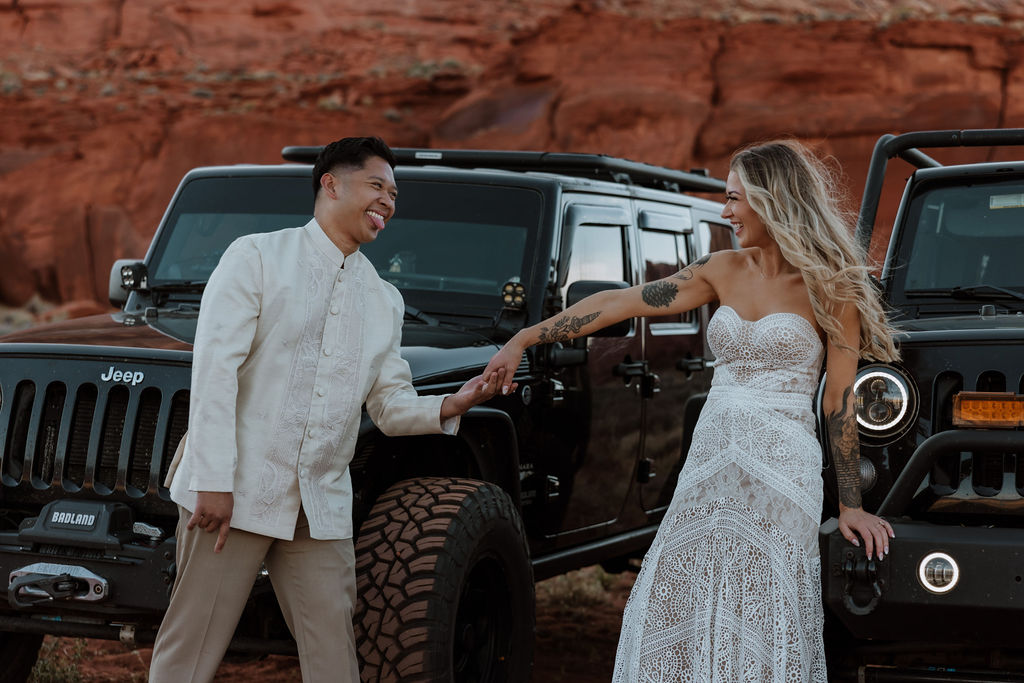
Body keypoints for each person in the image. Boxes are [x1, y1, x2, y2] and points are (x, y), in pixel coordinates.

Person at [483, 140, 899, 681]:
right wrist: (525, 338)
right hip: (710, 458)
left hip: (782, 468)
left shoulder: (833, 287)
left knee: (762, 602)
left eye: (734, 199)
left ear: (773, 199)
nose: (725, 212)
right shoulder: (720, 269)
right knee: (677, 591)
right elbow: (620, 302)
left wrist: (849, 505)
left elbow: (838, 399)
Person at [149, 136, 506, 683]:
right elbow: (214, 371)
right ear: (330, 183)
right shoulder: (256, 257)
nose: (388, 201)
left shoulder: (384, 300)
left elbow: (388, 405)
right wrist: (215, 481)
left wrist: (450, 405)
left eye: (394, 193)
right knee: (191, 648)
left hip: (319, 505)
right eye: (377, 186)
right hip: (235, 490)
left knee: (334, 655)